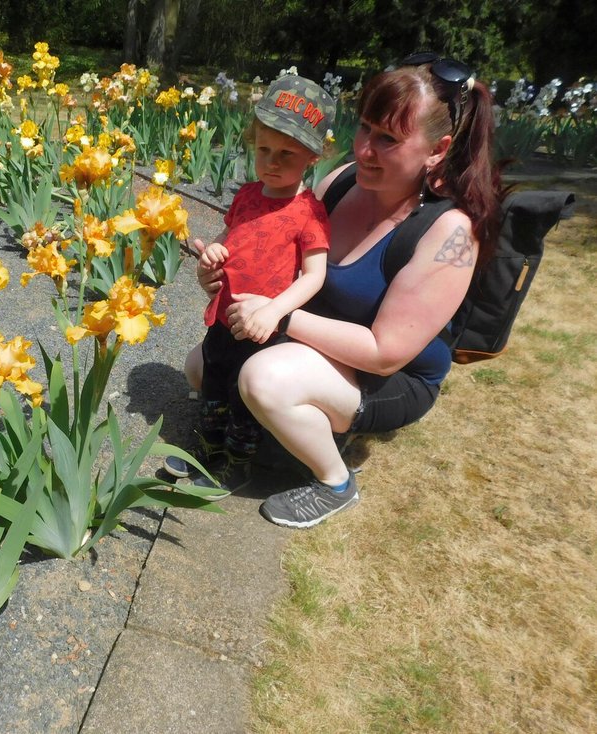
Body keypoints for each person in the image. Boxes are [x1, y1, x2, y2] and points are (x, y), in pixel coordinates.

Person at [186, 54, 502, 527]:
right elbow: (285, 258)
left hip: (389, 376)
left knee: (262, 380)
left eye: (388, 139)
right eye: (366, 128)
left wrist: (280, 316)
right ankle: (293, 424)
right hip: (322, 340)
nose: (366, 149)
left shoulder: (449, 233)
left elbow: (384, 354)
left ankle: (335, 481)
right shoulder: (343, 183)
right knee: (201, 365)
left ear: (437, 149)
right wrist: (223, 275)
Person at [164, 75, 336, 492]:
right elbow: (232, 238)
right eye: (263, 149)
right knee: (214, 386)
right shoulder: (247, 195)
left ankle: (237, 465)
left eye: (287, 155)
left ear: (313, 157)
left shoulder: (308, 213)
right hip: (225, 317)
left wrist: (276, 311)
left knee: (244, 402)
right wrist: (214, 253)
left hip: (261, 328)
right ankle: (207, 449)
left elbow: (315, 276)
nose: (272, 162)